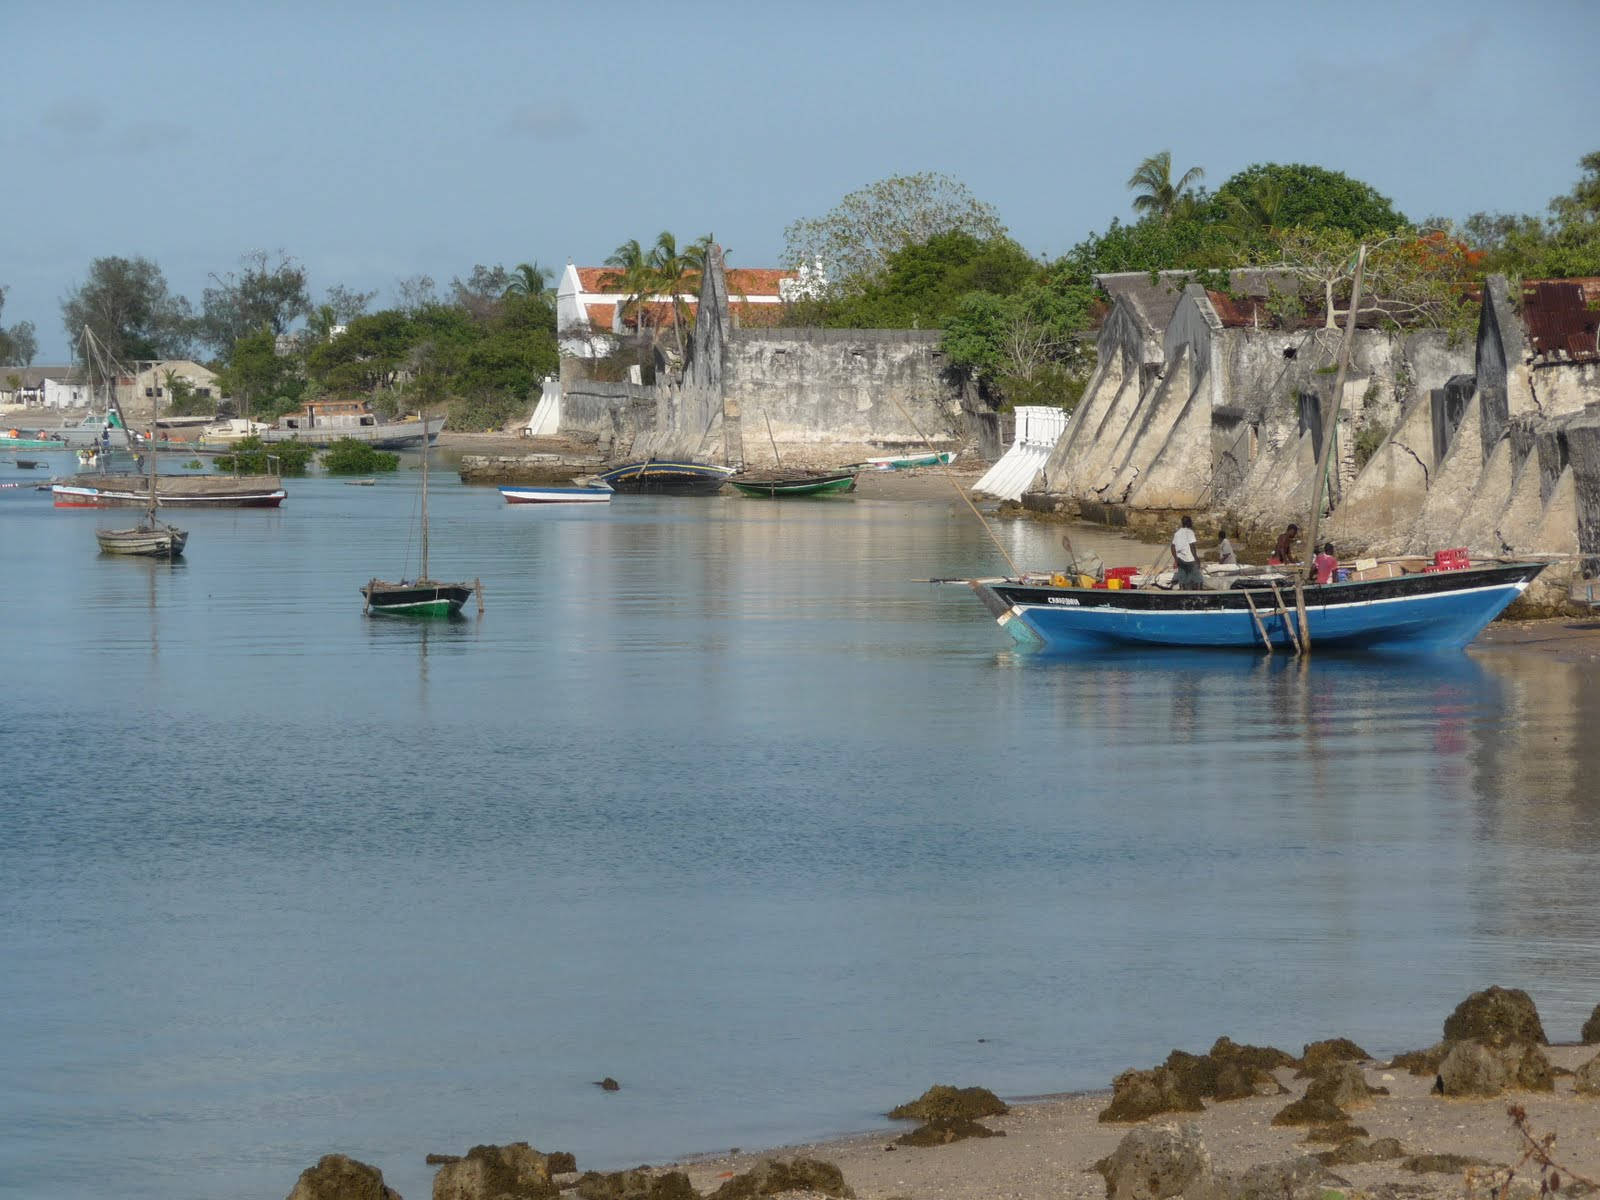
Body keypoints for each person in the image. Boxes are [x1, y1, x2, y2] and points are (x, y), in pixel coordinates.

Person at [1171, 515, 1205, 590]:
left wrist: (1176, 559)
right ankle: (1199, 594)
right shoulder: (1190, 532)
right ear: (1188, 523)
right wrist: (1196, 559)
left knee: (1183, 580)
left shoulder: (1177, 533)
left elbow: (1172, 547)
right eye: (1190, 522)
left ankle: (1183, 594)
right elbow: (1192, 546)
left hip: (1180, 559)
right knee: (1198, 579)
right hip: (1190, 559)